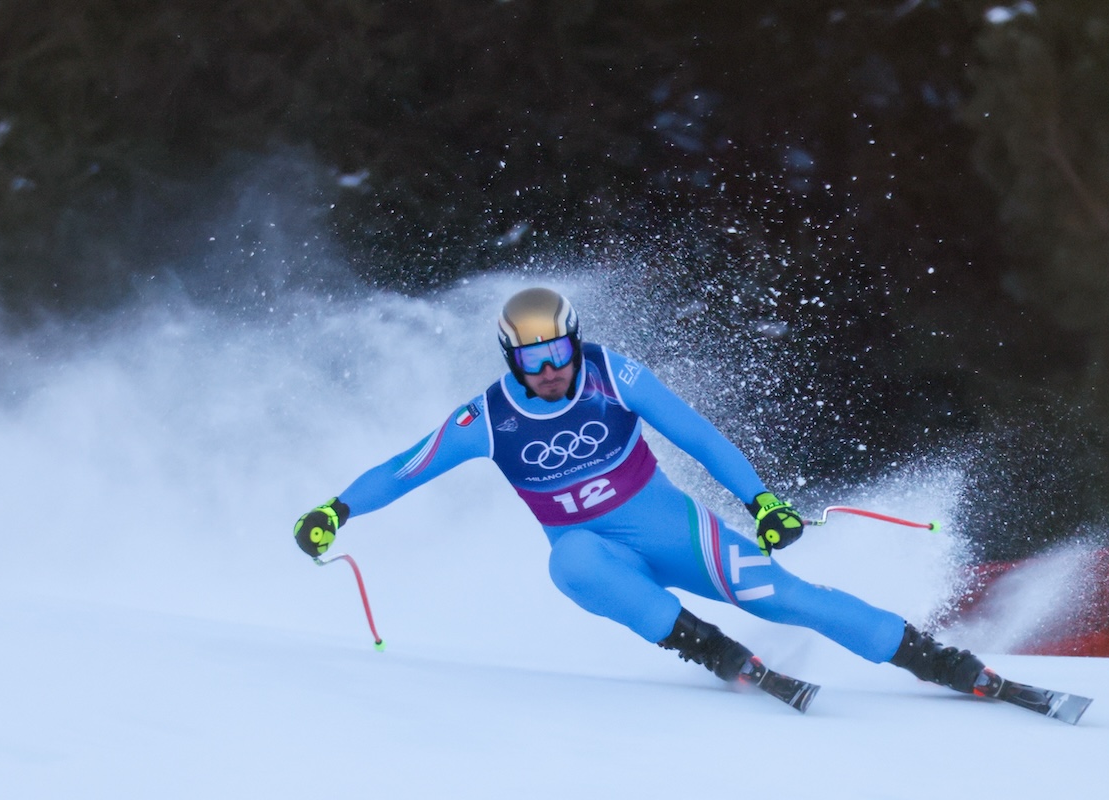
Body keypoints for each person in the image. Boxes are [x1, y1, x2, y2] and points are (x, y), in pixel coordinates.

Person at [294, 287, 995, 699]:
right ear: (511, 359)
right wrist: (337, 509)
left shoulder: (613, 376)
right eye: (532, 361)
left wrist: (762, 502)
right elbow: (404, 467)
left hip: (679, 533)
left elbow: (699, 437)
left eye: (559, 355)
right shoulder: (488, 417)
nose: (549, 372)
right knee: (568, 564)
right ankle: (714, 651)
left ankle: (942, 663)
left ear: (576, 343)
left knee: (790, 599)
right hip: (599, 554)